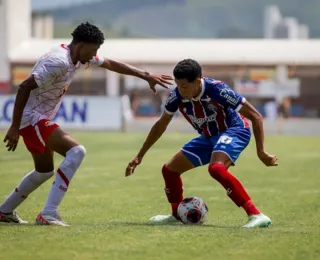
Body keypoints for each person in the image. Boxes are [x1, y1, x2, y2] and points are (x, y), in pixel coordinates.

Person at [1, 22, 172, 226]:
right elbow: (24, 86)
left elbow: (109, 63)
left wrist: (145, 76)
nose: (94, 55)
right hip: (31, 118)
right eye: (93, 50)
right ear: (80, 45)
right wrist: (14, 126)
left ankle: (5, 211)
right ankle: (49, 213)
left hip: (36, 118)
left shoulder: (79, 57)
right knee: (77, 151)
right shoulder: (59, 61)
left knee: (44, 171)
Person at [126, 59, 278, 228]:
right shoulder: (176, 96)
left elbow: (256, 116)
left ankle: (256, 215)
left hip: (234, 130)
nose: (180, 90)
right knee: (169, 170)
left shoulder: (218, 90)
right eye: (177, 85)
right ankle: (177, 215)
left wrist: (261, 152)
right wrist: (140, 155)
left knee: (216, 169)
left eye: (184, 86)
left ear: (198, 81)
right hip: (208, 137)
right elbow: (161, 124)